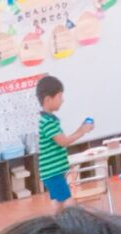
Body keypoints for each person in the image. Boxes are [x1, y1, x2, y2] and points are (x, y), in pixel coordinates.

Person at [36, 75, 93, 210]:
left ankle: (57, 222)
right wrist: (82, 131)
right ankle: (72, 221)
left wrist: (81, 128)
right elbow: (63, 141)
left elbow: (63, 139)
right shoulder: (47, 122)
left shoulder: (49, 120)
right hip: (53, 172)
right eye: (60, 97)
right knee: (68, 201)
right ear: (48, 99)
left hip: (53, 171)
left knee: (58, 201)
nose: (62, 100)